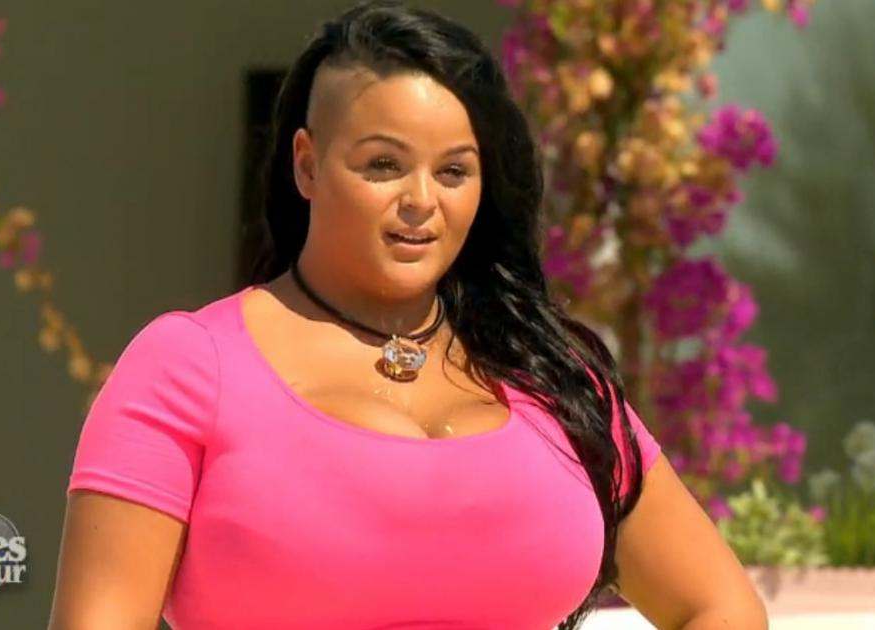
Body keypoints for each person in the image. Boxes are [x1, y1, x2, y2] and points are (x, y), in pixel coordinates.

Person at [48, 1, 766, 628]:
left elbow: (720, 606)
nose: (422, 200)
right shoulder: (188, 367)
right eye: (384, 165)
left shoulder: (551, 375)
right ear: (307, 165)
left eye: (453, 171)